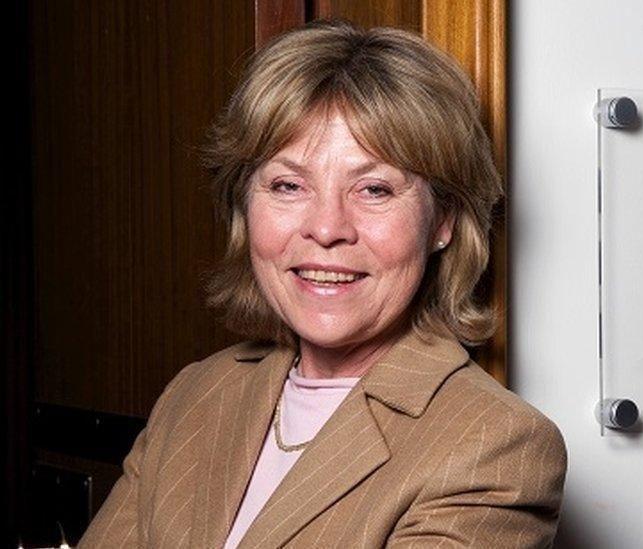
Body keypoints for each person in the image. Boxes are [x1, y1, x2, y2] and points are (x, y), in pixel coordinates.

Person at [78, 18, 567, 549]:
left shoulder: (495, 444)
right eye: (288, 185)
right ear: (246, 205)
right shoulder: (198, 391)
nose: (327, 228)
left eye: (374, 189)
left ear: (443, 221)